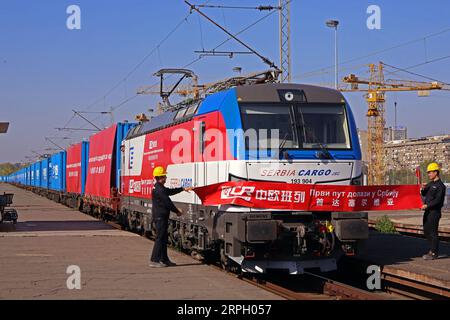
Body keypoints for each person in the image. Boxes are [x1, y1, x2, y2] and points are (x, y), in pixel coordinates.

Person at [149, 166, 193, 267]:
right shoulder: (159, 189)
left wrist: (182, 189)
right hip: (160, 217)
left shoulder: (159, 187)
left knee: (164, 238)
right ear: (161, 177)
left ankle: (164, 260)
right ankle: (154, 260)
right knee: (160, 238)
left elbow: (169, 191)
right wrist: (177, 211)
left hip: (161, 217)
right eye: (165, 176)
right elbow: (167, 202)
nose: (166, 178)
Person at [420, 162, 446, 260]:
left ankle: (434, 253)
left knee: (433, 232)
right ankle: (431, 250)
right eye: (428, 172)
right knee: (426, 231)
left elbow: (438, 200)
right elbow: (424, 193)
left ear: (436, 172)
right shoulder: (430, 184)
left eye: (430, 172)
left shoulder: (441, 186)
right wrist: (423, 189)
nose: (429, 174)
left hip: (434, 212)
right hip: (427, 212)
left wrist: (427, 205)